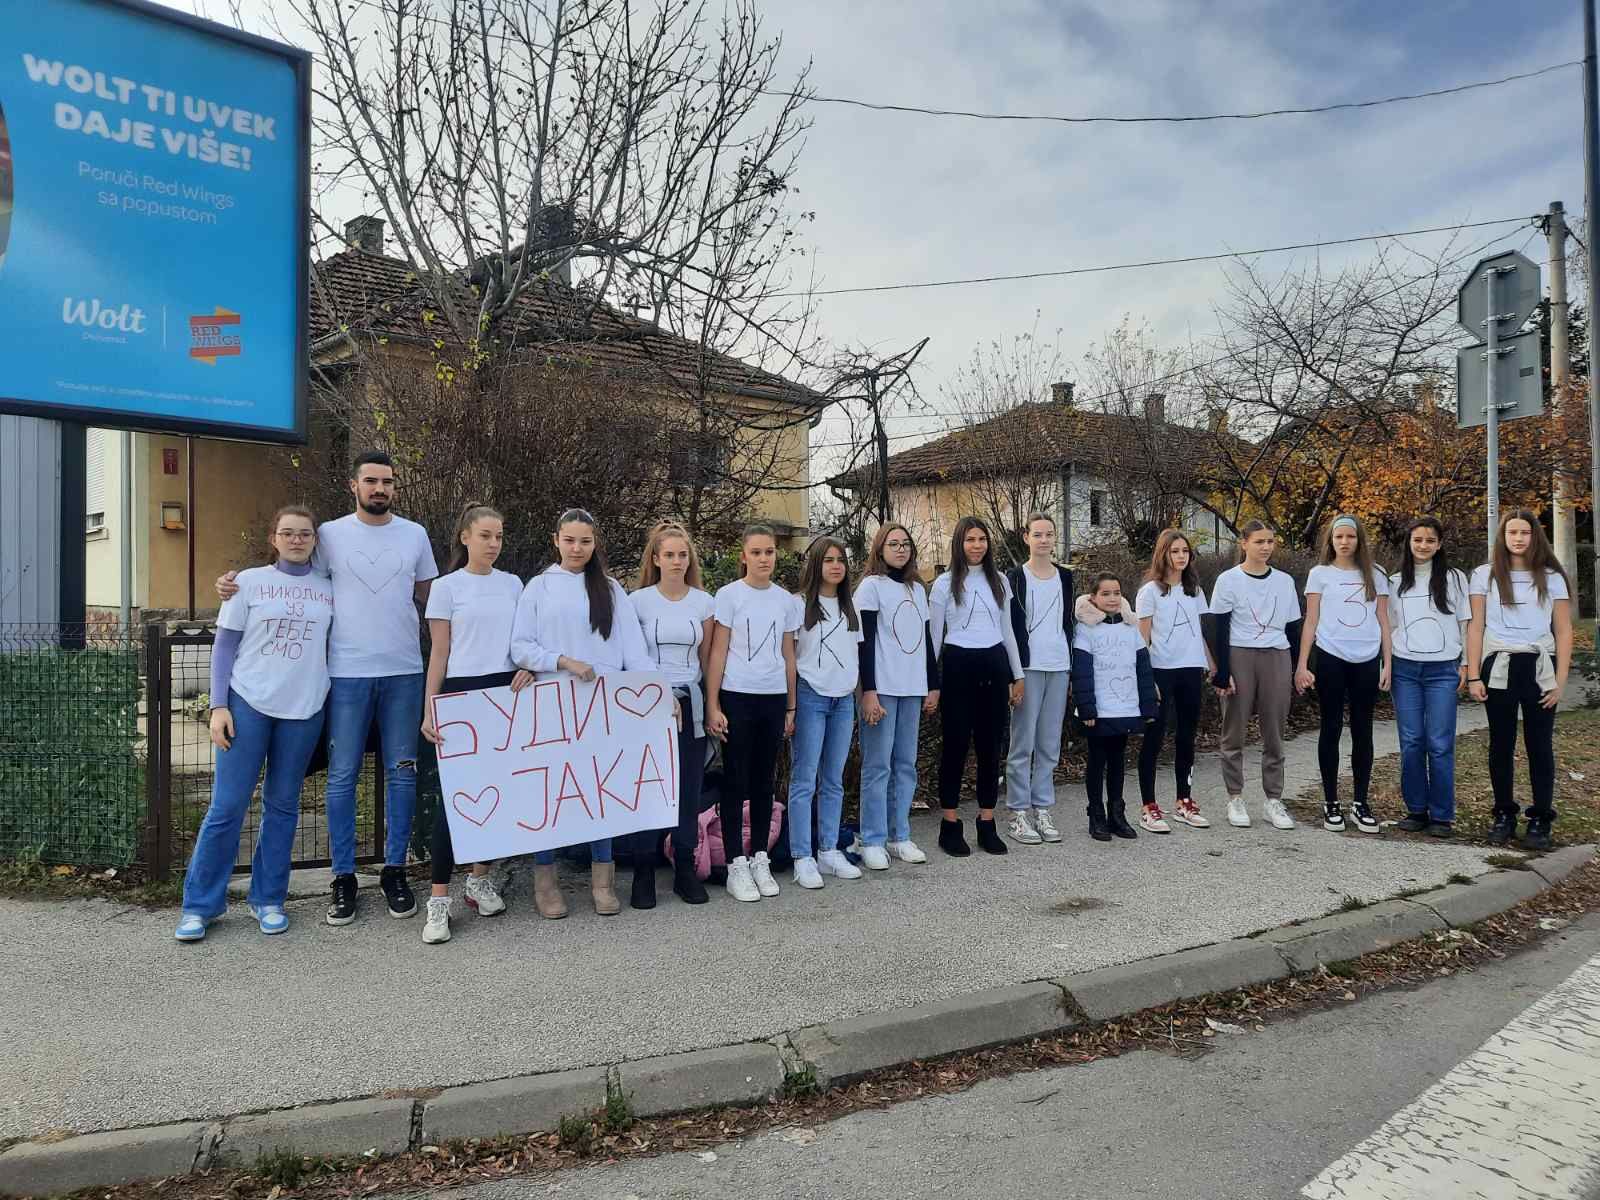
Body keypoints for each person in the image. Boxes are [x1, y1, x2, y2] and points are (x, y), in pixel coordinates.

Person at [216, 451, 439, 926]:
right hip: (345, 674)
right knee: (342, 776)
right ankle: (343, 878)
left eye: (388, 482)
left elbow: (431, 599)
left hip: (403, 671)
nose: (380, 489)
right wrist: (233, 585)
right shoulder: (330, 536)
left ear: (394, 488)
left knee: (403, 772)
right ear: (353, 485)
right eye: (371, 481)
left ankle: (394, 871)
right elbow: (289, 569)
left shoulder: (415, 535)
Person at [176, 507, 334, 941]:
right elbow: (225, 647)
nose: (297, 539)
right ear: (274, 538)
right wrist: (218, 706)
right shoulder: (247, 582)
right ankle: (200, 905)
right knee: (227, 807)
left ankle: (267, 899)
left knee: (283, 807)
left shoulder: (329, 589)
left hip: (304, 710)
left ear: (315, 541)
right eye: (288, 532)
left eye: (305, 533)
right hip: (249, 704)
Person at [511, 508, 656, 916]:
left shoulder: (610, 589)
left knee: (598, 790)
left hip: (602, 706)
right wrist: (562, 660)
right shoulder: (538, 588)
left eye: (586, 541)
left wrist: (655, 697)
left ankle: (602, 882)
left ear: (595, 544)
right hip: (553, 705)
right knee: (552, 792)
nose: (577, 548)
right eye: (570, 540)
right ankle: (546, 883)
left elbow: (634, 652)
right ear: (555, 539)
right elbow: (520, 646)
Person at [418, 504, 530, 944]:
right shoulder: (446, 588)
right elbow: (439, 654)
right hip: (461, 695)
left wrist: (529, 668)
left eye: (499, 536)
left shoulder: (513, 585)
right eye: (485, 535)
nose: (493, 544)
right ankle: (438, 900)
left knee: (496, 794)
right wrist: (431, 706)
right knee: (455, 800)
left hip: (505, 693)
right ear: (465, 537)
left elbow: (522, 642)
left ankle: (479, 879)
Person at [1466, 510, 1574, 851]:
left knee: (1539, 745)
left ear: (1534, 536)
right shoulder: (1484, 575)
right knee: (1501, 744)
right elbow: (1475, 626)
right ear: (1503, 536)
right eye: (1512, 532)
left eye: (1525, 532)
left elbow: (1563, 629)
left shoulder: (1552, 576)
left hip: (1540, 666)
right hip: (1498, 665)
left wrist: (1559, 681)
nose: (1518, 538)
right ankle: (1504, 814)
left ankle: (1541, 818)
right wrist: (1472, 674)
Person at [705, 524, 799, 902]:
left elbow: (789, 655)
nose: (764, 558)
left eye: (770, 552)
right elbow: (717, 652)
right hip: (737, 695)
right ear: (743, 556)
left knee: (764, 781)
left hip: (772, 697)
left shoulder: (785, 601)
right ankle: (735, 863)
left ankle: (760, 856)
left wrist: (791, 705)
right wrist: (713, 704)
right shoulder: (729, 596)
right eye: (756, 552)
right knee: (736, 780)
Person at [929, 516, 1025, 857]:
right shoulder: (943, 584)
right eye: (970, 539)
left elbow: (1008, 631)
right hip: (958, 667)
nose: (976, 545)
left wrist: (1018, 674)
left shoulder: (999, 580)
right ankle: (951, 825)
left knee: (990, 747)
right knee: (955, 746)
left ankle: (987, 822)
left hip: (994, 666)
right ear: (960, 543)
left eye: (982, 539)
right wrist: (931, 683)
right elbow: (934, 638)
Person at [629, 521, 714, 906]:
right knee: (649, 787)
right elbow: (630, 657)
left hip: (690, 704)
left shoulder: (704, 602)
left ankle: (684, 867)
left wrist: (711, 706)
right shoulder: (638, 602)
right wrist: (655, 695)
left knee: (688, 787)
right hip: (648, 706)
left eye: (683, 555)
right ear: (656, 558)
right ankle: (644, 870)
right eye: (669, 555)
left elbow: (709, 660)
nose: (677, 561)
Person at [1295, 515, 1393, 835]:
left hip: (1366, 660)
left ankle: (1360, 802)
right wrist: (1303, 664)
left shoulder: (1375, 575)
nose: (1345, 542)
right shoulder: (1320, 574)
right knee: (1332, 727)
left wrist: (1387, 663)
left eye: (1351, 536)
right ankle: (1331, 802)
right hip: (1331, 659)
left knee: (1363, 730)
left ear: (1359, 540)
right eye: (1339, 537)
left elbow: (1383, 621)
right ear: (1331, 541)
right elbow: (1310, 621)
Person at [1208, 519, 1304, 831]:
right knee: (1233, 729)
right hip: (1239, 654)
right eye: (1259, 541)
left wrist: (1297, 665)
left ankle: (1273, 799)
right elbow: (1219, 628)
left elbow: (1293, 627)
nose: (1265, 547)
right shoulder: (1228, 580)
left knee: (1275, 729)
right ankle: (1235, 797)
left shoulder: (1284, 582)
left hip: (1276, 654)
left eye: (1270, 542)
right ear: (1244, 543)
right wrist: (1223, 672)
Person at [856, 523, 940, 868]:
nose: (901, 549)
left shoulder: (917, 590)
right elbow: (866, 643)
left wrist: (932, 683)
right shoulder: (870, 588)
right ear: (880, 549)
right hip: (884, 689)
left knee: (906, 765)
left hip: (912, 686)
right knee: (878, 766)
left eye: (906, 544)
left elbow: (926, 640)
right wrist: (869, 692)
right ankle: (872, 837)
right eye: (893, 544)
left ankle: (898, 835)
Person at [787, 537, 865, 890]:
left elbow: (856, 659)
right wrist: (790, 704)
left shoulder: (850, 608)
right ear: (815, 563)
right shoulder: (798, 604)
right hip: (811, 696)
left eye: (841, 560)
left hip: (843, 700)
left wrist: (862, 697)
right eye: (829, 560)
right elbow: (789, 657)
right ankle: (802, 856)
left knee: (833, 779)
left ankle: (828, 849)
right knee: (804, 779)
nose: (836, 566)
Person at [1389, 517, 1470, 838]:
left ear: (1439, 544)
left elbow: (1466, 623)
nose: (1423, 546)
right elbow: (1389, 627)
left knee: (1439, 743)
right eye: (1418, 540)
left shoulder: (1454, 579)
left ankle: (1441, 815)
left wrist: (1466, 665)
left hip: (1442, 670)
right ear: (1409, 543)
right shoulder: (1395, 582)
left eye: (1430, 540)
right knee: (1411, 742)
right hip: (1404, 670)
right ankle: (1416, 810)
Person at [1135, 529, 1215, 832]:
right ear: (1163, 554)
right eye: (1175, 551)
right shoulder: (1150, 592)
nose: (1181, 556)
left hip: (1191, 670)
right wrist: (1145, 680)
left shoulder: (1195, 590)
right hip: (1160, 672)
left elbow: (1200, 632)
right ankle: (1149, 807)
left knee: (1186, 737)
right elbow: (1142, 640)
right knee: (1154, 739)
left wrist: (1213, 665)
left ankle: (1184, 801)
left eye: (1185, 551)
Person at [1003, 513, 1075, 846]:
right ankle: (1018, 812)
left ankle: (1042, 807)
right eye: (1038, 534)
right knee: (1023, 742)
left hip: (1058, 665)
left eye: (1049, 534)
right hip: (1028, 668)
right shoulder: (1015, 577)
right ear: (1026, 537)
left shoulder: (1066, 578)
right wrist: (1013, 673)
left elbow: (1070, 623)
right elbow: (1010, 628)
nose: (1044, 540)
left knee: (1049, 742)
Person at [1071, 572, 1158, 841]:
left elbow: (1144, 671)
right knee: (1097, 761)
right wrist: (1086, 707)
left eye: (1117, 593)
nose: (1112, 598)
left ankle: (1117, 814)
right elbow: (1082, 672)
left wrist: (1148, 707)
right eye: (1105, 594)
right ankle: (1096, 814)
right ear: (1093, 598)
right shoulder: (1085, 629)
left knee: (1119, 761)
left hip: (1125, 707)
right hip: (1099, 710)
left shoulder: (1131, 628)